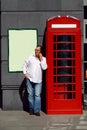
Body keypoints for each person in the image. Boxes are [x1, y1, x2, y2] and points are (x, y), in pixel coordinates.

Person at [22, 45, 47, 116]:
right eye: (35, 50)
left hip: (38, 80)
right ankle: (31, 109)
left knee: (37, 95)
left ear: (41, 51)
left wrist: (41, 59)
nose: (36, 51)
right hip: (29, 79)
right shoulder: (30, 57)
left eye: (38, 50)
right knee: (30, 95)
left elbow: (44, 68)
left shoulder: (43, 59)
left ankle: (36, 110)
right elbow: (24, 65)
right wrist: (25, 73)